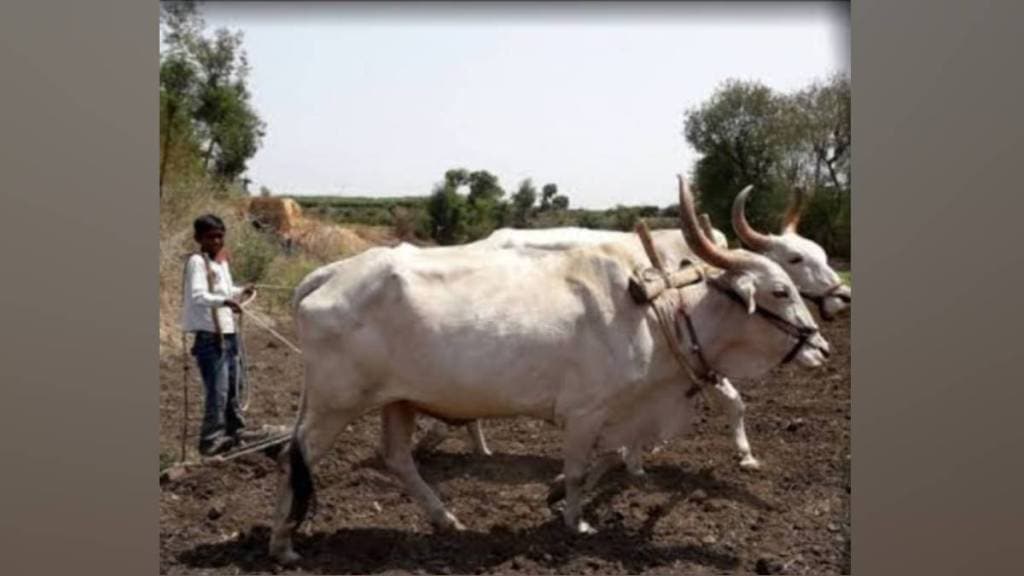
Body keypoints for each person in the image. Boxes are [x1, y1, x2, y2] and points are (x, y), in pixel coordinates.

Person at [182, 214, 257, 456]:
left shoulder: (221, 262)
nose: (216, 240)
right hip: (209, 337)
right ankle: (211, 440)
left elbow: (225, 290)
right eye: (210, 236)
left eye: (220, 236)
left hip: (229, 333)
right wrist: (225, 301)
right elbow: (198, 296)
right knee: (219, 390)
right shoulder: (197, 262)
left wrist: (240, 291)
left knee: (235, 386)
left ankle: (235, 433)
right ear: (198, 238)